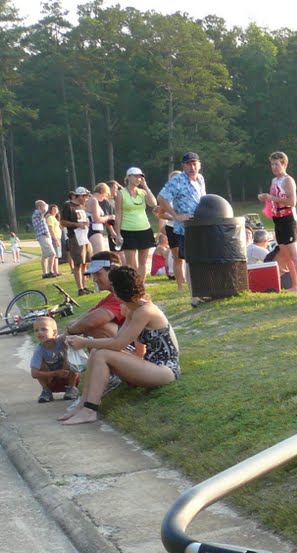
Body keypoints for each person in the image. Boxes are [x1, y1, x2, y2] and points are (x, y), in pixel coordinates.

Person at [61, 266, 179, 425]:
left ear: (117, 291)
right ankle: (82, 405)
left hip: (165, 369)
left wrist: (84, 342)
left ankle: (90, 410)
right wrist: (89, 343)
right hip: (151, 363)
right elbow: (118, 339)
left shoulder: (144, 310)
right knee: (97, 350)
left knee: (102, 353)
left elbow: (118, 344)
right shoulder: (132, 308)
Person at [256, 151, 297, 295]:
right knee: (285, 254)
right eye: (272, 164)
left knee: (294, 253)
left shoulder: (288, 180)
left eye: (277, 164)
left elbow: (292, 201)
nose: (274, 167)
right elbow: (274, 198)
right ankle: (295, 284)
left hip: (288, 218)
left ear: (284, 164)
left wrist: (271, 197)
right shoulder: (274, 181)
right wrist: (267, 199)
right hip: (277, 218)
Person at [157, 152, 206, 294]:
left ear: (199, 164)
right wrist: (175, 215)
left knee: (199, 258)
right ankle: (193, 290)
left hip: (199, 225)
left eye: (194, 163)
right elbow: (161, 197)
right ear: (183, 166)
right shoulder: (178, 180)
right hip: (185, 228)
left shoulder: (200, 179)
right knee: (187, 259)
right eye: (188, 164)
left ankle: (201, 286)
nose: (192, 167)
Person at [116, 167, 159, 282]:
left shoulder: (142, 192)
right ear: (128, 177)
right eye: (135, 176)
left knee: (143, 262)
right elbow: (118, 214)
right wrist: (118, 233)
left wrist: (145, 186)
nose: (138, 178)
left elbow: (153, 203)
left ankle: (141, 286)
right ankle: (134, 285)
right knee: (131, 263)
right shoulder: (121, 193)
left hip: (144, 229)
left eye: (140, 176)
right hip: (128, 230)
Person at [29, 315, 80, 405]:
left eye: (44, 329)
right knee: (39, 365)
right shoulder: (39, 350)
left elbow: (70, 333)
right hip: (52, 381)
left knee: (71, 357)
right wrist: (56, 373)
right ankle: (46, 391)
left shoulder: (62, 341)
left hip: (68, 377)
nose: (39, 332)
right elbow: (34, 373)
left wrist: (70, 328)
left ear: (55, 332)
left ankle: (72, 388)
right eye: (36, 330)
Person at [60, 190, 93, 293]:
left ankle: (84, 286)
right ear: (79, 196)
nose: (86, 199)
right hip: (75, 237)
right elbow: (63, 222)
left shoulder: (82, 207)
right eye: (85, 197)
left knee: (85, 262)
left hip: (84, 237)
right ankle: (80, 288)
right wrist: (77, 225)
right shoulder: (68, 206)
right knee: (78, 263)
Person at [31, 200, 59, 279]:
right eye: (43, 205)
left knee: (45, 256)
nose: (46, 206)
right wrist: (45, 205)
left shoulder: (39, 214)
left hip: (44, 236)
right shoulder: (37, 212)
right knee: (52, 254)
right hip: (43, 236)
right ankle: (50, 272)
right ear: (39, 207)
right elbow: (44, 209)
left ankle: (44, 273)